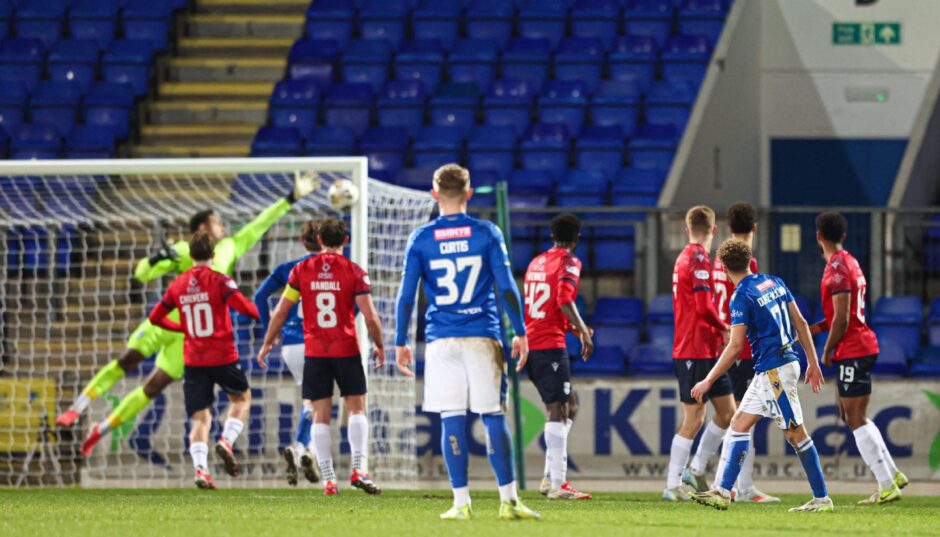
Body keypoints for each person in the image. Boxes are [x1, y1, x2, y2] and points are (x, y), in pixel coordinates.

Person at [61, 172, 318, 442]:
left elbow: (259, 224)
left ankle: (99, 430)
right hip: (164, 322)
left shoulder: (230, 246)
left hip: (190, 337)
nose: (223, 227)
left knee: (152, 387)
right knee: (126, 360)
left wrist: (291, 198)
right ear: (203, 228)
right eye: (217, 222)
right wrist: (155, 258)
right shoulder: (184, 250)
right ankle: (77, 409)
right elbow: (143, 274)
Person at [394, 164, 539, 521]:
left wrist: (400, 340)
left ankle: (461, 503)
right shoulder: (486, 233)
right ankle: (508, 500)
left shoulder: (421, 238)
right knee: (491, 415)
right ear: (469, 194)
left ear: (433, 195)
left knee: (452, 420)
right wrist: (520, 331)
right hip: (482, 336)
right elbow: (506, 287)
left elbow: (406, 296)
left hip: (442, 339)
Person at [689, 239, 832, 512]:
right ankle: (723, 491)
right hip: (775, 365)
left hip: (775, 369)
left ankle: (822, 497)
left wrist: (708, 380)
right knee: (739, 423)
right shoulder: (773, 281)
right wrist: (812, 362)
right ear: (748, 259)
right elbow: (800, 323)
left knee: (795, 433)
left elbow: (735, 346)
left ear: (723, 267)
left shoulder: (741, 296)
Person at [257, 217, 385, 496]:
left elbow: (280, 310)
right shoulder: (355, 271)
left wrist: (267, 342)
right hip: (346, 349)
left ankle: (329, 480)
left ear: (319, 240)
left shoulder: (300, 270)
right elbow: (370, 315)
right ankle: (358, 470)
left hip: (314, 352)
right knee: (356, 407)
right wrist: (380, 345)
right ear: (345, 241)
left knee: (319, 415)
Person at [146, 232, 259, 488]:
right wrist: (263, 311)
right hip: (222, 355)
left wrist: (181, 328)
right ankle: (226, 441)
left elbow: (155, 317)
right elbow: (247, 310)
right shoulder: (220, 281)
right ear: (214, 254)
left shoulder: (178, 284)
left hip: (194, 358)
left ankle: (200, 471)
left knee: (200, 416)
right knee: (242, 399)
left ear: (190, 255)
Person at [809, 212, 907, 505]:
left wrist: (826, 350)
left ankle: (887, 485)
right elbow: (839, 316)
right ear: (843, 235)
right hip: (855, 346)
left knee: (854, 417)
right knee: (850, 415)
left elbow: (842, 317)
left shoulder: (837, 266)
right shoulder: (849, 261)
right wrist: (812, 329)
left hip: (853, 349)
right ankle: (892, 474)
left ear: (818, 236)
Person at [709, 203, 779, 503]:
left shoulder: (718, 262)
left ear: (726, 228)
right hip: (745, 348)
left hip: (725, 344)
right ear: (755, 228)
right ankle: (736, 484)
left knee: (737, 418)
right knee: (741, 419)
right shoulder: (749, 266)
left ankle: (729, 481)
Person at [664, 206, 735, 500]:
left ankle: (694, 469)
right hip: (694, 349)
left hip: (705, 351)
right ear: (714, 230)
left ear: (686, 228)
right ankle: (671, 485)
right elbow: (705, 308)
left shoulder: (686, 258)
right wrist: (724, 327)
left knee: (728, 412)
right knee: (694, 419)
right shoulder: (698, 260)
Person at [523, 213, 593, 500]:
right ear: (576, 240)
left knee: (569, 406)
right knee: (557, 409)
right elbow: (565, 300)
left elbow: (545, 307)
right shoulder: (569, 262)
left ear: (553, 237)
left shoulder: (536, 262)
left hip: (533, 344)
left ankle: (549, 475)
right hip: (549, 346)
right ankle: (558, 485)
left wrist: (576, 331)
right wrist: (584, 333)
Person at [254, 219, 323, 487]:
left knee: (315, 402)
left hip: (291, 344)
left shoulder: (287, 269)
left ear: (300, 241)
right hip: (319, 342)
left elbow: (260, 297)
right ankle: (301, 449)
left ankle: (307, 452)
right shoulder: (334, 268)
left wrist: (269, 329)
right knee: (320, 403)